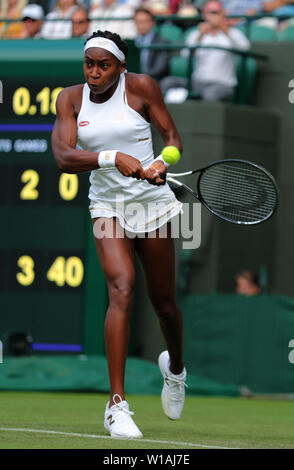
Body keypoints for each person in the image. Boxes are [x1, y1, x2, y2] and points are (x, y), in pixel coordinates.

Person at [51, 29, 187, 439]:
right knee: (122, 288)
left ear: (121, 66)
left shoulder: (143, 87)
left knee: (163, 303)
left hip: (152, 206)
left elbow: (173, 139)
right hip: (107, 208)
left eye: (103, 65)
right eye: (89, 64)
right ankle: (116, 406)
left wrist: (163, 162)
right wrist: (112, 158)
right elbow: (63, 155)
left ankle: (176, 369)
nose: (94, 72)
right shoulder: (69, 99)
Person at [161, 0, 250, 103]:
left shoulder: (232, 32)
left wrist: (225, 29)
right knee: (168, 83)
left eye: (215, 12)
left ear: (223, 14)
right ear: (204, 14)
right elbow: (185, 54)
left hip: (222, 85)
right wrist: (200, 36)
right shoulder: (196, 34)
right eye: (209, 12)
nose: (212, 16)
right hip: (197, 83)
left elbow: (245, 48)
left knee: (210, 94)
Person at [134, 8, 170, 83]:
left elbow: (159, 69)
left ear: (152, 22)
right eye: (139, 21)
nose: (142, 25)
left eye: (145, 21)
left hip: (152, 81)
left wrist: (140, 77)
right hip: (131, 80)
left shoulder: (162, 42)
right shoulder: (131, 42)